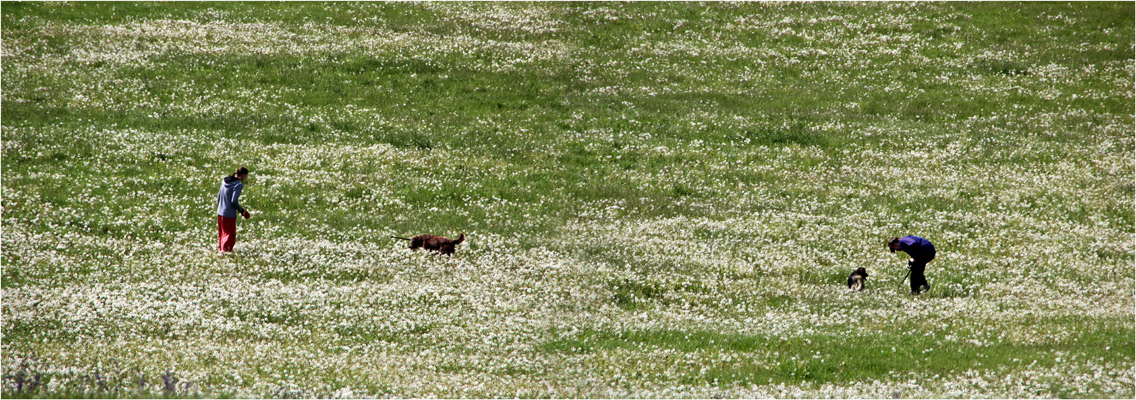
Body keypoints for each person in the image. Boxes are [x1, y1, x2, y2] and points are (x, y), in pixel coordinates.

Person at [217, 167, 251, 252]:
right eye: (246, 176)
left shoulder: (224, 181)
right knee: (229, 237)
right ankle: (225, 255)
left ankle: (221, 252)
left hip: (220, 213)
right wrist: (242, 211)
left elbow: (219, 196)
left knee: (222, 235)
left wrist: (220, 208)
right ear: (243, 175)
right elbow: (234, 200)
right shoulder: (238, 185)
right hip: (229, 215)